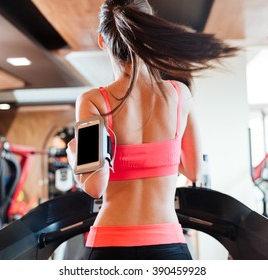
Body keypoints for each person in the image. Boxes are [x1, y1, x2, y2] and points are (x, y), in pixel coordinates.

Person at [66, 0, 238, 260]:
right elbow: (193, 170)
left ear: (102, 41)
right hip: (167, 244)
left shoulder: (93, 101)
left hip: (109, 243)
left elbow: (94, 187)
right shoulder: (180, 95)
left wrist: (74, 155)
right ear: (149, 37)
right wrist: (157, 158)